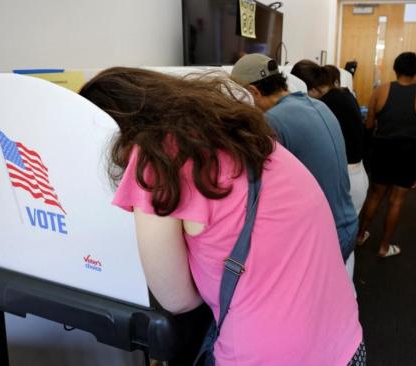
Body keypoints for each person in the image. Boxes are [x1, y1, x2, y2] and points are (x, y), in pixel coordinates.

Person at [79, 67, 364, 365]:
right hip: (343, 339)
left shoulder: (156, 158)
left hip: (271, 354)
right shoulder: (236, 131)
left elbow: (177, 299)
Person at [230, 54, 359, 268]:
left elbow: (257, 191)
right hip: (347, 221)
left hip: (326, 237)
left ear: (253, 92)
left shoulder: (272, 121)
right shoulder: (318, 105)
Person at [290, 59, 368, 278]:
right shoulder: (344, 94)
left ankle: (339, 297)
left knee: (333, 248)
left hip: (346, 178)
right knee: (345, 245)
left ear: (308, 87)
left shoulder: (325, 105)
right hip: (358, 175)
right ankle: (347, 295)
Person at [357, 52, 416, 257]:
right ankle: (384, 247)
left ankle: (360, 235)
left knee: (375, 195)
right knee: (396, 200)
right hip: (409, 152)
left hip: (382, 149)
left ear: (395, 68)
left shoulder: (380, 90)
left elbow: (369, 124)